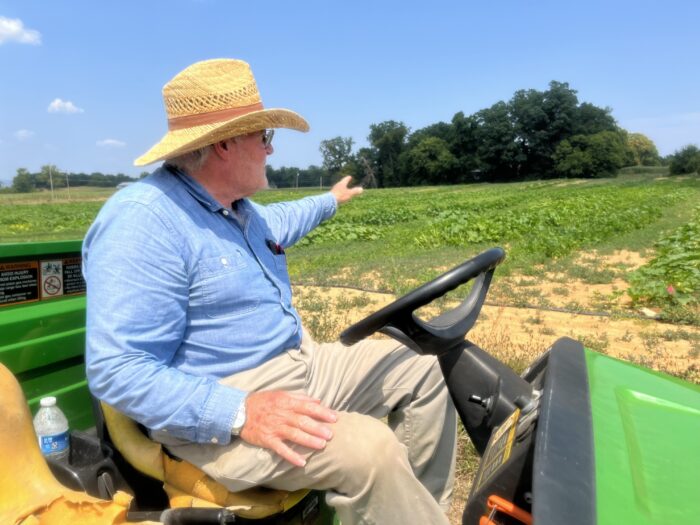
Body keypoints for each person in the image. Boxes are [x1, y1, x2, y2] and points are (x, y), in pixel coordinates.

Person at [83, 58, 456, 525]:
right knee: (371, 451)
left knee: (420, 370)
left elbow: (289, 218)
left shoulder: (240, 212)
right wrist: (240, 411)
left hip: (300, 365)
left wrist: (331, 200)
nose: (270, 151)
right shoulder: (144, 222)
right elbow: (116, 370)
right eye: (264, 138)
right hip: (221, 404)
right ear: (223, 144)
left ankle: (420, 514)